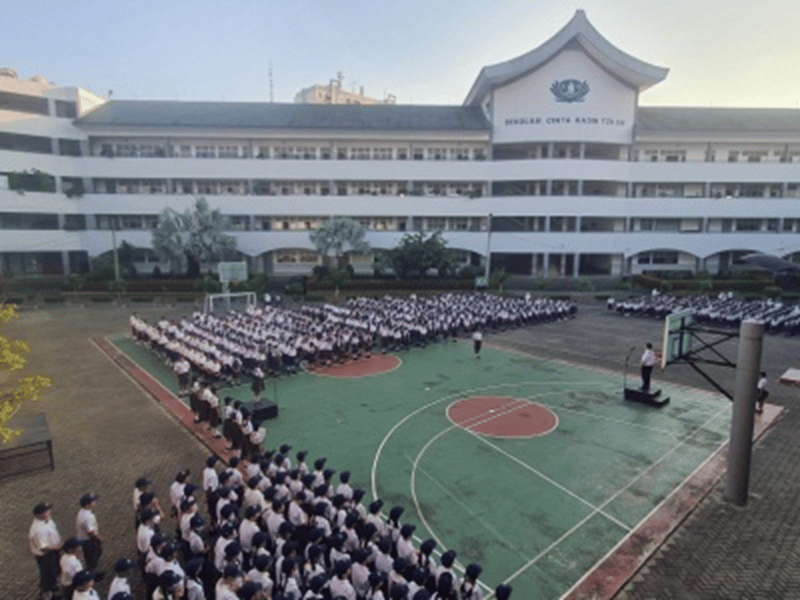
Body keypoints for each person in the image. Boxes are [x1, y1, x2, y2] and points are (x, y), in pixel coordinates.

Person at [30, 502, 63, 600]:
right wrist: (59, 547)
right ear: (40, 514)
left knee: (54, 572)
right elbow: (44, 548)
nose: (49, 512)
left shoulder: (47, 520)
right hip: (46, 556)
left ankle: (52, 590)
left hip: (53, 552)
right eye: (46, 511)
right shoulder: (38, 529)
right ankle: (48, 595)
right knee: (48, 574)